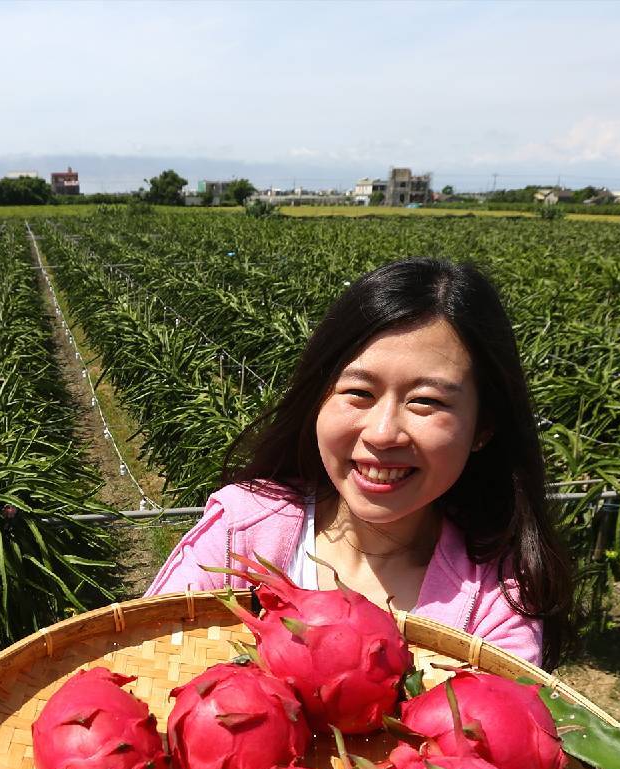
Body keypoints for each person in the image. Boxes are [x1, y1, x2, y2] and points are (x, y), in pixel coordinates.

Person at [144, 258, 572, 668]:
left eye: (426, 401)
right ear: (319, 397)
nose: (383, 433)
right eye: (359, 392)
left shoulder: (498, 603)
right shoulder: (238, 535)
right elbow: (147, 658)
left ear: (484, 426)